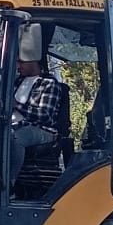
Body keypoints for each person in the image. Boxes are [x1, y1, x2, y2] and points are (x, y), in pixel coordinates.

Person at [11, 23, 70, 172]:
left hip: (42, 130)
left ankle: (8, 182)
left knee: (15, 139)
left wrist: (17, 105)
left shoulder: (49, 83)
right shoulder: (17, 82)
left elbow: (45, 116)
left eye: (21, 62)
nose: (18, 66)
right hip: (13, 125)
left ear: (33, 60)